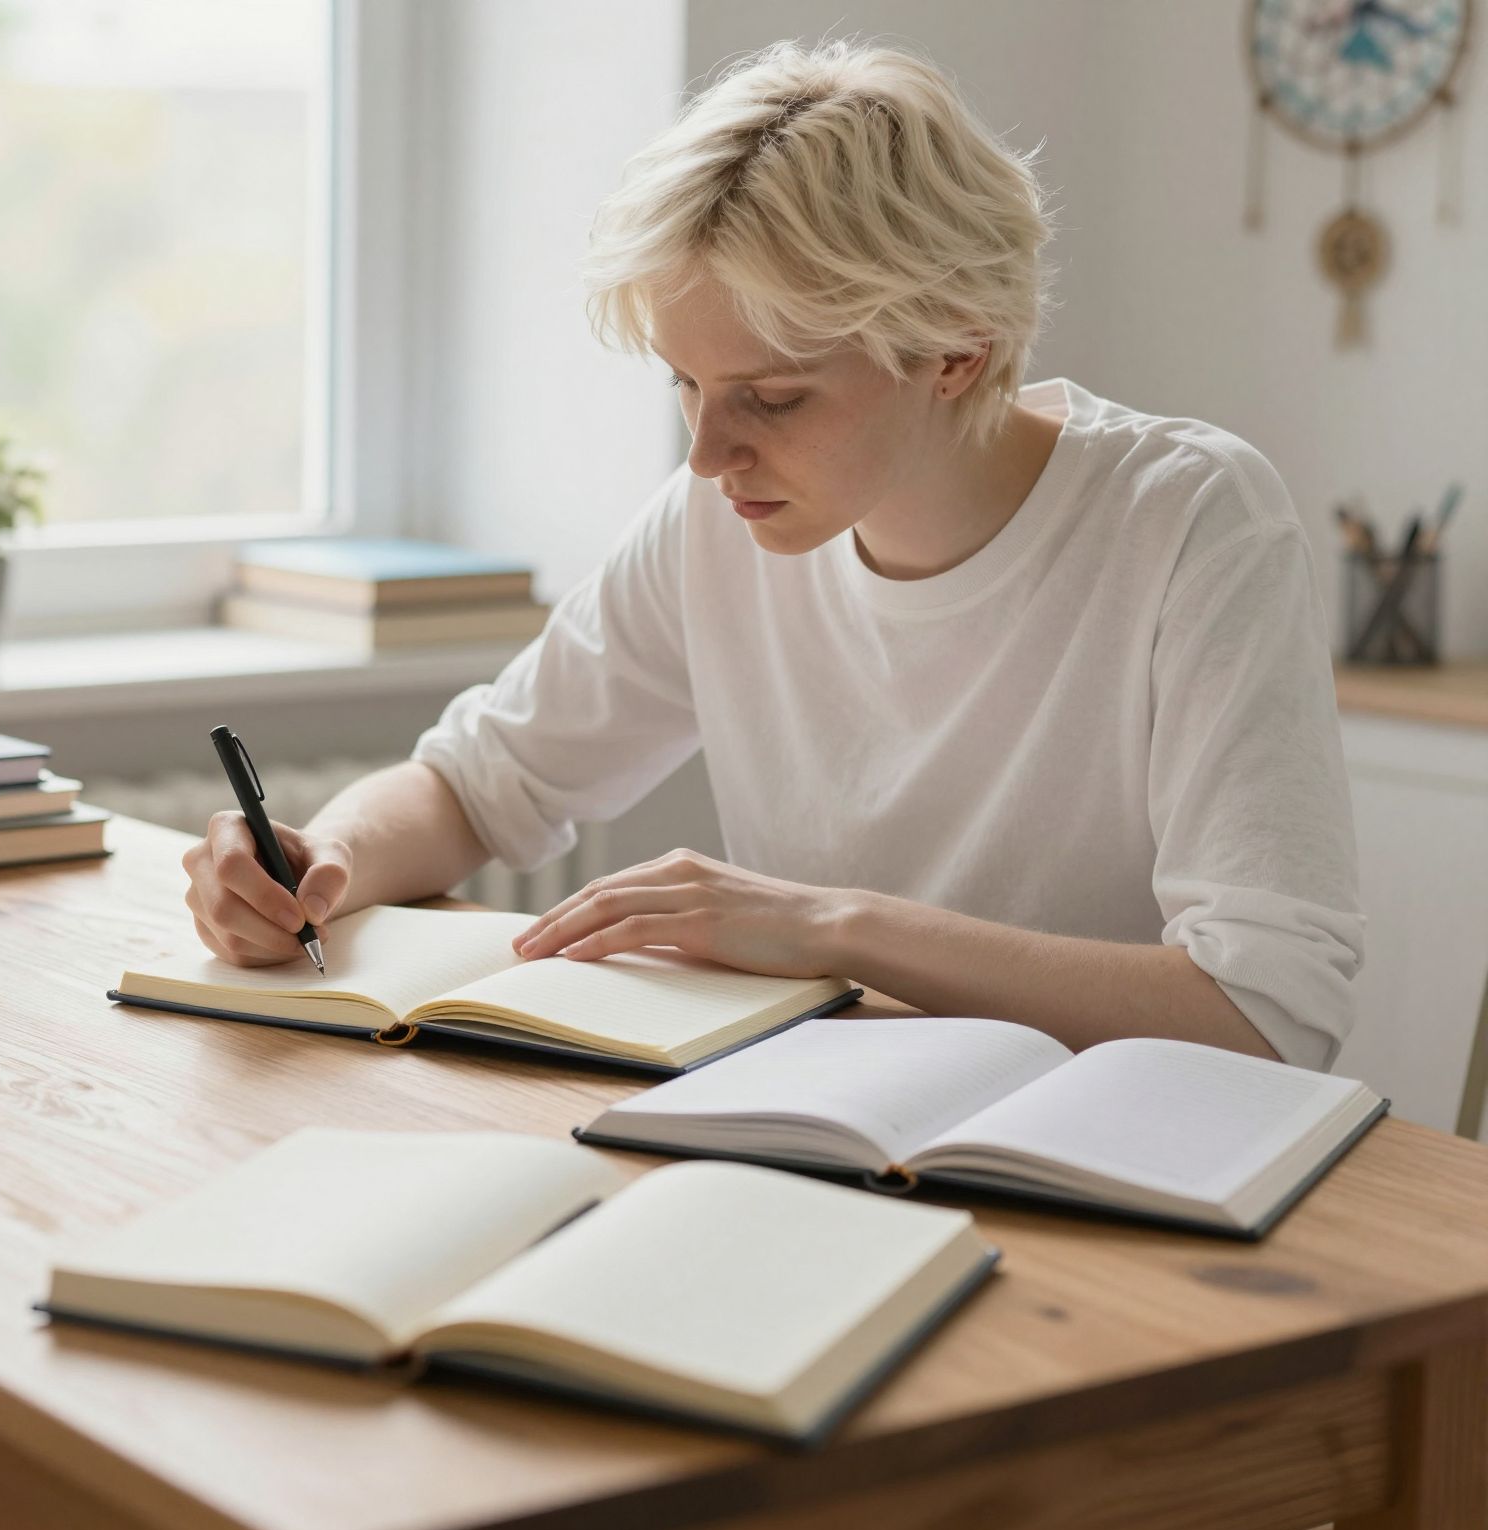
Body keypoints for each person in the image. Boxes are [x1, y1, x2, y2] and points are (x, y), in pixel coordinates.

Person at [180, 38, 1362, 1071]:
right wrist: (322, 857)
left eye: (773, 398)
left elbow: (1263, 1014)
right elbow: (481, 781)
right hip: (813, 1123)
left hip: (1105, 1165)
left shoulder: (1186, 519)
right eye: (685, 385)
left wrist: (829, 928)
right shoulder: (722, 521)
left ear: (955, 352)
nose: (706, 454)